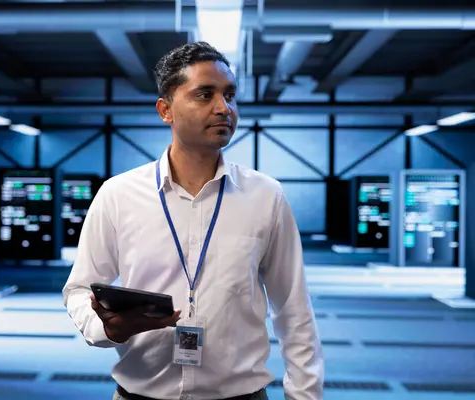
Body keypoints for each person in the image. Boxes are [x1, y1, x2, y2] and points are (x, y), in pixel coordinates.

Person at [63, 41, 324, 400]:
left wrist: (305, 396)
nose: (224, 108)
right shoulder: (118, 194)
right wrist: (110, 330)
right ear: (166, 110)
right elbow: (79, 289)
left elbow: (294, 309)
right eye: (205, 95)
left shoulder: (266, 196)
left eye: (230, 95)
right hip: (141, 394)